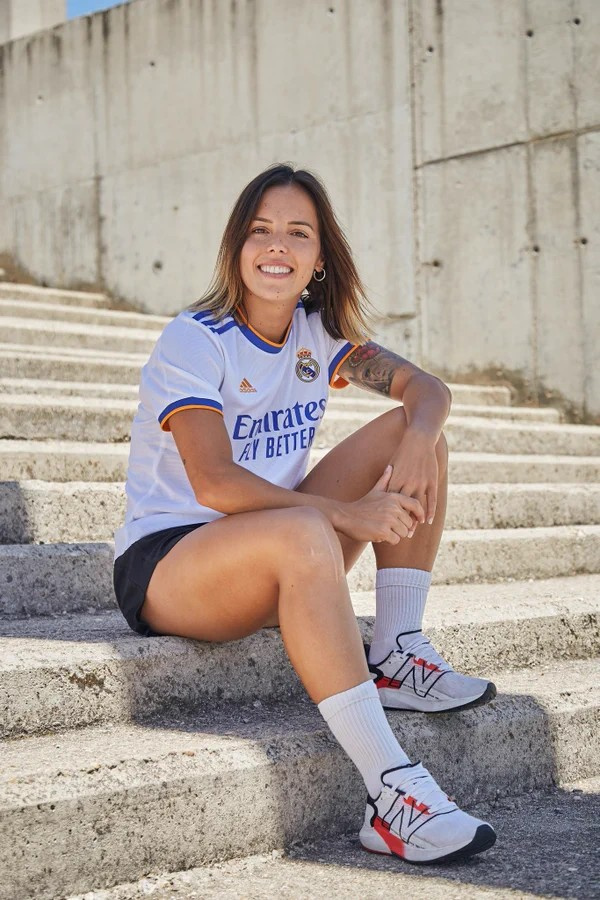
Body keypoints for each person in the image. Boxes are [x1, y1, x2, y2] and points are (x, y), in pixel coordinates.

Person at [113, 163, 497, 864]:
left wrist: (419, 436)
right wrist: (348, 516)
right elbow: (215, 483)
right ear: (236, 246)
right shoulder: (196, 337)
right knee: (305, 527)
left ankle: (396, 650)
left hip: (286, 547)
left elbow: (427, 389)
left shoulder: (319, 335)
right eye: (260, 230)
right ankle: (391, 794)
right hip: (173, 565)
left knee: (414, 436)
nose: (276, 246)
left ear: (319, 257)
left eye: (297, 232)